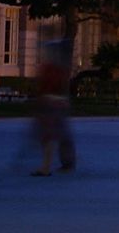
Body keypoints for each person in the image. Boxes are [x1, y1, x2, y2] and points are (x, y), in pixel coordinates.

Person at [29, 48, 76, 176]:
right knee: (61, 133)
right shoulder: (60, 69)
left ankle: (46, 167)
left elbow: (45, 87)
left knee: (49, 136)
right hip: (58, 103)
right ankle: (67, 162)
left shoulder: (50, 69)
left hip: (50, 103)